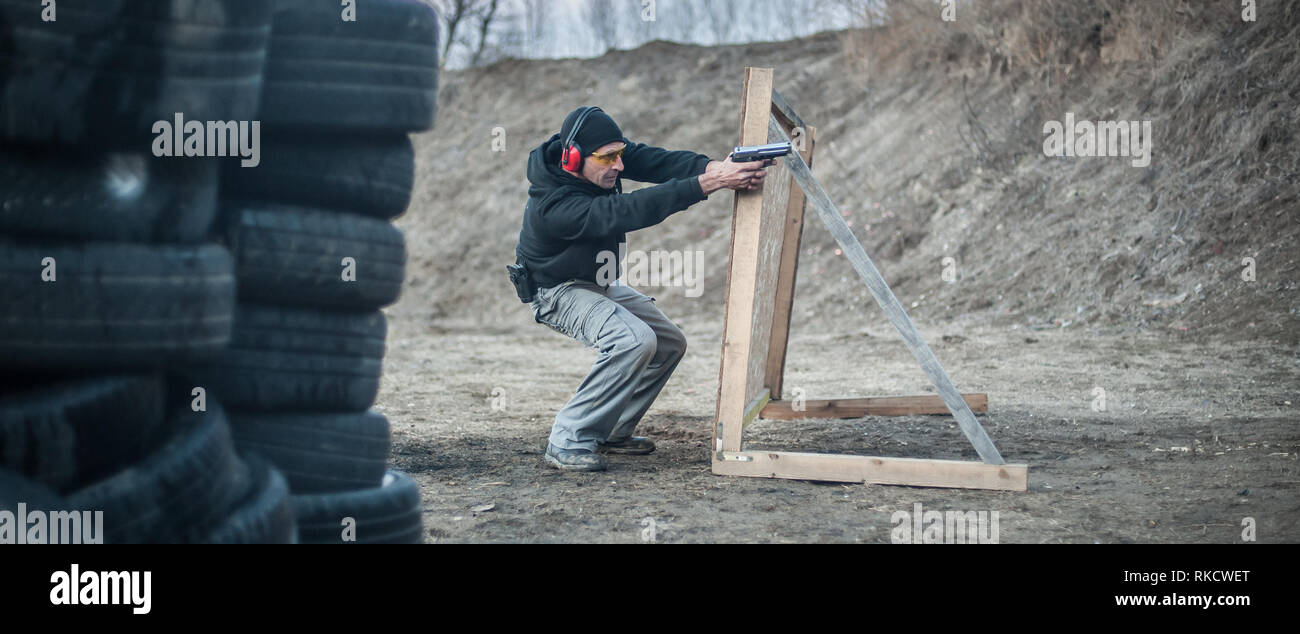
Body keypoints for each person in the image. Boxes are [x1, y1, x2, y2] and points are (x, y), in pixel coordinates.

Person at [514, 106, 771, 472]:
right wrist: (709, 183)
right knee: (634, 340)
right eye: (608, 159)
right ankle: (568, 437)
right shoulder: (553, 206)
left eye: (620, 154)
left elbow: (656, 162)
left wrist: (714, 166)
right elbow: (628, 210)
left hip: (595, 280)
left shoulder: (602, 156)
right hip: (555, 290)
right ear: (573, 159)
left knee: (667, 344)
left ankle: (612, 430)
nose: (619, 166)